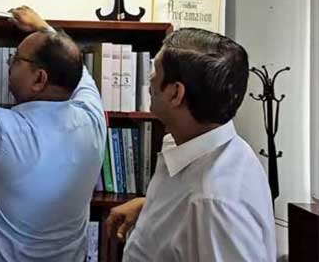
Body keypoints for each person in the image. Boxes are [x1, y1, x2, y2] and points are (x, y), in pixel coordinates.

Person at [0, 5, 107, 261]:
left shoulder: (7, 132)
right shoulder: (92, 116)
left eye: (15, 59)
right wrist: (41, 25)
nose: (8, 65)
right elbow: (78, 69)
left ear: (39, 79)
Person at [104, 28, 276, 261]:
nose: (150, 80)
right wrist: (150, 208)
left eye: (155, 72)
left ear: (176, 93)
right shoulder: (194, 144)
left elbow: (207, 218)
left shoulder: (214, 205)